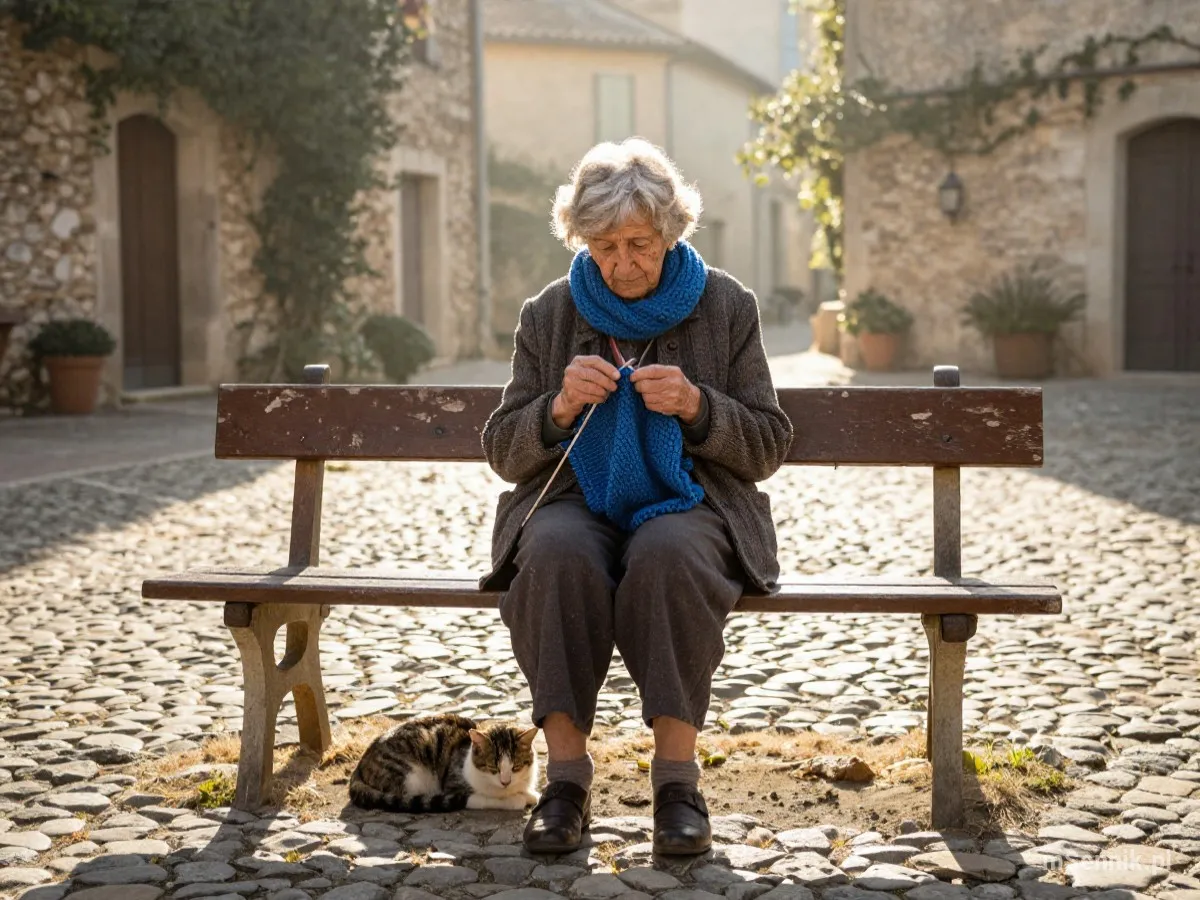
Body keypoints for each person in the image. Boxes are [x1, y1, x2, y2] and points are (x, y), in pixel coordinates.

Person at [481, 138, 793, 856]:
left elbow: (769, 443)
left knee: (669, 553)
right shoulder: (550, 312)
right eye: (604, 246)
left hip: (692, 503)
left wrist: (698, 407)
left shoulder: (726, 305)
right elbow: (503, 450)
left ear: (672, 233)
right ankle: (564, 782)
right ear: (580, 241)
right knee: (555, 552)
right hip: (572, 501)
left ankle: (677, 783)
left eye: (639, 244)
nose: (622, 264)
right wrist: (556, 410)